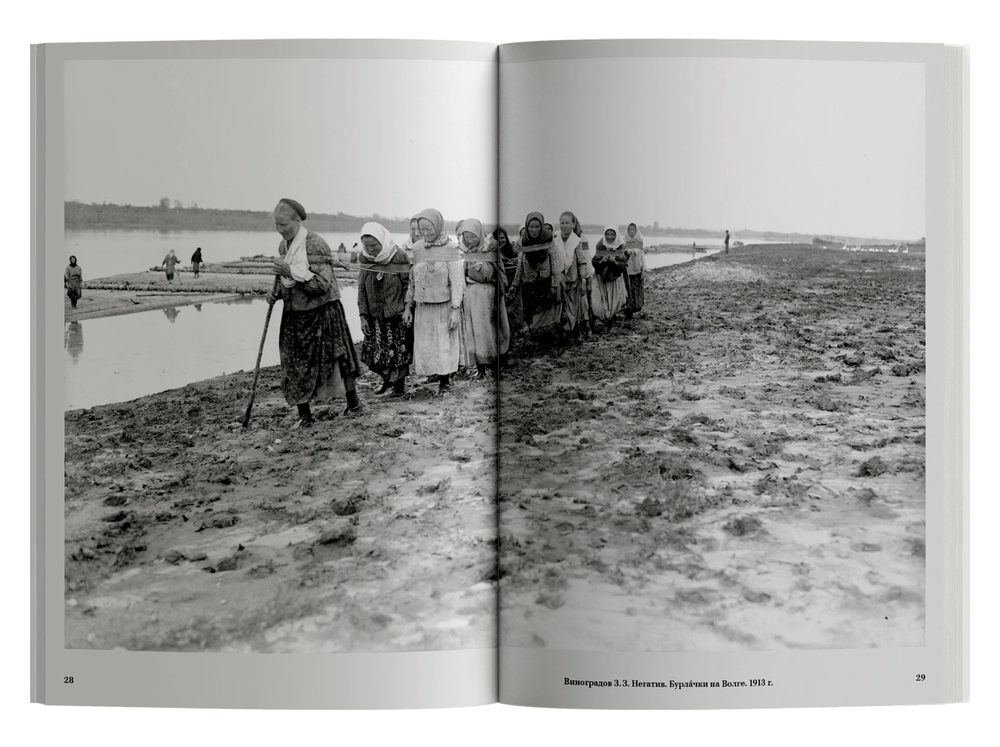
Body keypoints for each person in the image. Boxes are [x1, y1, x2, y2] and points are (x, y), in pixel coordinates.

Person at [266, 198, 363, 427]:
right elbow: (287, 282)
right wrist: (275, 294)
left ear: (297, 222)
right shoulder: (285, 247)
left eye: (284, 225)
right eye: (277, 225)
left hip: (323, 312)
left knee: (337, 359)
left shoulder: (315, 245)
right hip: (294, 315)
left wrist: (289, 270)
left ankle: (354, 404)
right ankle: (305, 416)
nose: (280, 230)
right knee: (294, 364)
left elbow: (322, 285)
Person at [402, 208, 464, 393]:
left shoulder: (450, 248)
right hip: (423, 307)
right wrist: (408, 306)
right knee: (427, 344)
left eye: (429, 229)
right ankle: (433, 375)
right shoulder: (418, 248)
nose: (426, 233)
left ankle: (445, 381)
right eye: (422, 229)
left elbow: (457, 282)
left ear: (438, 226)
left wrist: (455, 309)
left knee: (444, 344)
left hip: (443, 307)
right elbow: (412, 281)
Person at [357, 221, 413, 397]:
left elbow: (408, 285)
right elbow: (361, 288)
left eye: (374, 245)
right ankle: (387, 380)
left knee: (398, 354)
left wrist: (407, 308)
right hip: (374, 315)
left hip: (396, 313)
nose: (370, 249)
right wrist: (363, 316)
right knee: (375, 355)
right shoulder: (365, 258)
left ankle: (399, 386)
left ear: (382, 240)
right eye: (366, 246)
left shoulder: (399, 256)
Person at [460, 219, 510, 376]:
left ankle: (496, 365)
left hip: (488, 294)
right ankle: (480, 367)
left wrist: (501, 292)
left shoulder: (490, 247)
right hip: (471, 295)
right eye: (467, 237)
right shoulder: (464, 251)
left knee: (491, 329)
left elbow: (499, 271)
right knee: (474, 332)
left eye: (473, 237)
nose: (470, 240)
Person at [506, 212, 562, 336]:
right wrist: (514, 285)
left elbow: (555, 265)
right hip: (529, 287)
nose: (534, 230)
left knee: (544, 316)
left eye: (537, 227)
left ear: (542, 226)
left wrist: (555, 285)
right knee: (531, 315)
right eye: (531, 227)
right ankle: (534, 338)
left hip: (545, 285)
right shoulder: (525, 241)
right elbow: (520, 266)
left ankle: (544, 339)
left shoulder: (548, 240)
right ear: (527, 226)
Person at [553, 211, 586, 338]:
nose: (564, 226)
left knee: (572, 306)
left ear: (573, 224)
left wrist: (583, 279)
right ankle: (562, 333)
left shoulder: (577, 241)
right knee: (560, 307)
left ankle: (572, 331)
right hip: (559, 280)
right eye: (562, 223)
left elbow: (581, 261)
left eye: (567, 223)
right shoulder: (555, 239)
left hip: (572, 280)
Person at [590, 225, 629, 329]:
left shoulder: (621, 246)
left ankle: (610, 323)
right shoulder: (600, 245)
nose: (609, 237)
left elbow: (623, 265)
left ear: (616, 235)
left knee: (614, 303)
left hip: (615, 279)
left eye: (612, 234)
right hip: (600, 279)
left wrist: (614, 262)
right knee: (598, 302)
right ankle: (597, 321)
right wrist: (602, 261)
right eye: (607, 234)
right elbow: (594, 262)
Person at [623, 222, 647, 321]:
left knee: (636, 292)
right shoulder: (624, 242)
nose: (632, 231)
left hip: (637, 271)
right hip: (628, 271)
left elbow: (642, 256)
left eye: (633, 229)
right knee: (628, 292)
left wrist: (644, 269)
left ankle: (635, 308)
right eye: (630, 229)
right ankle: (628, 311)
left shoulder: (639, 241)